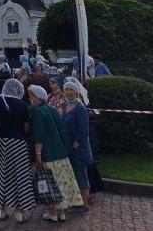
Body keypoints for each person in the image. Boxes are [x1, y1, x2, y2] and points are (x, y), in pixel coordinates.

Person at [0, 79, 35, 223]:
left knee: (0, 174)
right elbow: (26, 127)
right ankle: (19, 211)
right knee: (20, 176)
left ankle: (1, 209)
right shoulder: (22, 105)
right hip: (18, 144)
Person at [28, 84, 83, 222]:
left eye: (31, 96)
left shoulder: (38, 113)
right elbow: (61, 129)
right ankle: (61, 213)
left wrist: (38, 155)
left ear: (36, 97)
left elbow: (39, 136)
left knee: (50, 186)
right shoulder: (51, 109)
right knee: (62, 184)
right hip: (61, 154)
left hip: (48, 154)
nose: (30, 99)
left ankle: (52, 212)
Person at [62, 81, 93, 215]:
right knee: (73, 176)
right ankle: (76, 202)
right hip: (68, 148)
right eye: (66, 89)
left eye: (71, 89)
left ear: (76, 92)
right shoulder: (65, 105)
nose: (68, 92)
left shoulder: (80, 108)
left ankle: (85, 205)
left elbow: (84, 129)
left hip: (79, 149)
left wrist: (77, 141)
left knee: (81, 176)